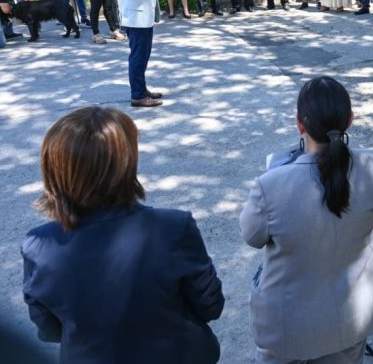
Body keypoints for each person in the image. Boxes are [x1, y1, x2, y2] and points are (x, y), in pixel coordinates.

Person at [22, 107, 224, 362]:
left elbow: (48, 328)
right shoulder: (173, 227)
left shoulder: (38, 245)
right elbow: (210, 306)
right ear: (126, 165)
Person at [240, 76, 373, 364]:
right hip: (354, 316)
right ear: (350, 120)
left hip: (287, 328)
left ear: (300, 124)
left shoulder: (271, 184)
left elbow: (252, 236)